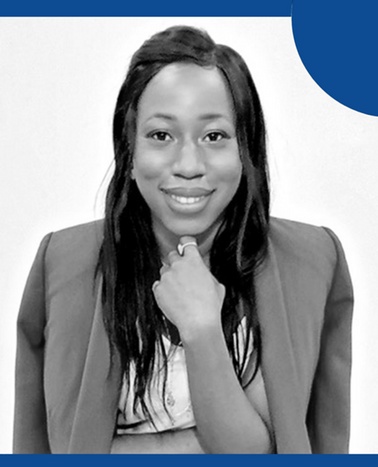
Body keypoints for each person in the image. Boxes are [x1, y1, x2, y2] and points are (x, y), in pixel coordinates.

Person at [13, 25, 353, 454]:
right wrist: (193, 445)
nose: (188, 164)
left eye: (214, 136)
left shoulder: (308, 261)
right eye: (161, 135)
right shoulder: (64, 262)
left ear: (245, 151)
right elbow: (53, 446)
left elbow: (254, 454)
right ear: (129, 152)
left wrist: (201, 328)